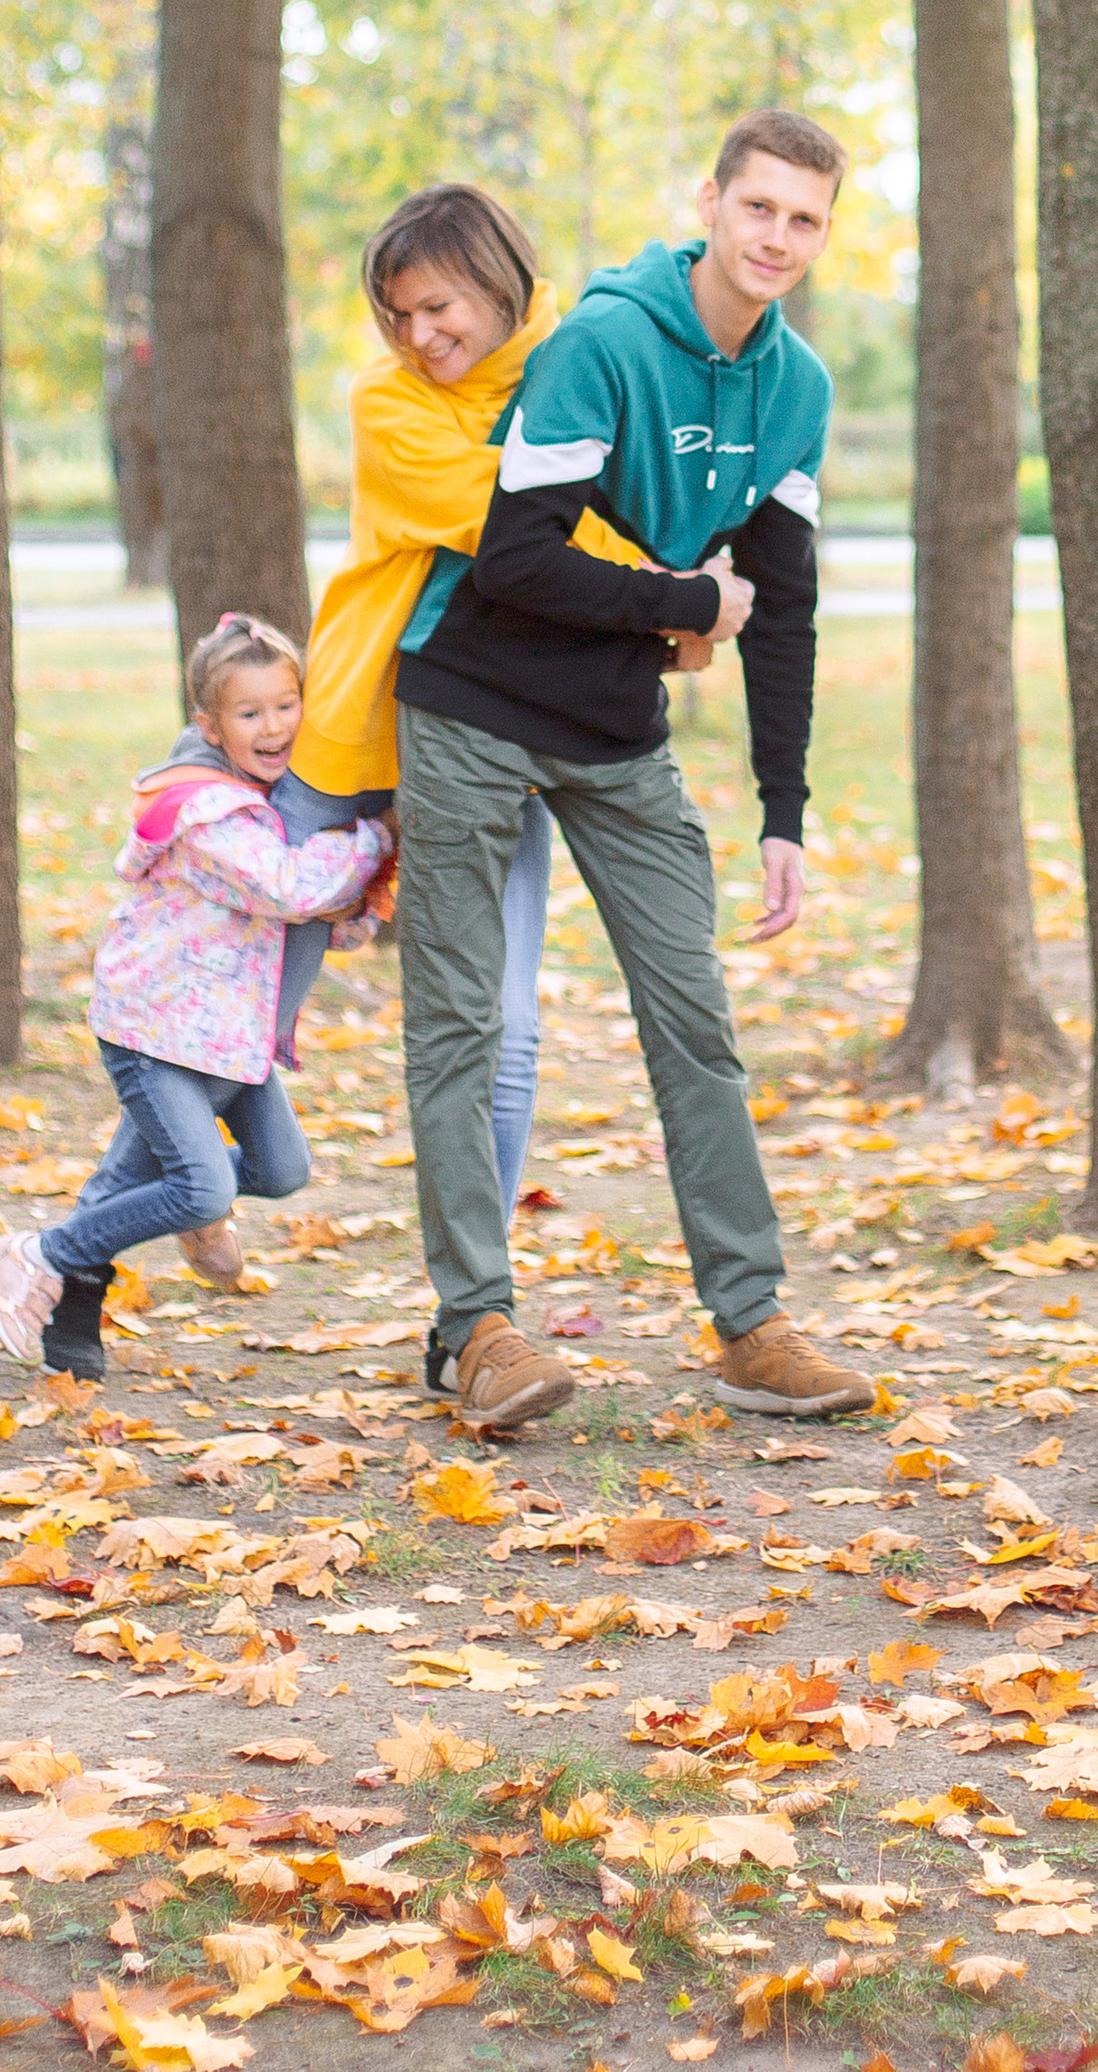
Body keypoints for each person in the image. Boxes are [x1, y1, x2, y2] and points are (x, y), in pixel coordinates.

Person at [391, 105, 875, 1437]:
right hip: (473, 703)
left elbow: (780, 602)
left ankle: (752, 1321)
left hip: (615, 731)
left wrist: (785, 808)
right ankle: (476, 1331)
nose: (777, 237)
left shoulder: (800, 392)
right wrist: (681, 601)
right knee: (458, 1022)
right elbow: (514, 559)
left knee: (694, 1022)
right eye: (759, 207)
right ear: (712, 202)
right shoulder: (604, 341)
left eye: (805, 219)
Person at [283, 183, 652, 1211]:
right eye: (398, 314)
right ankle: (150, 1204)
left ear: (501, 282)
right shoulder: (388, 400)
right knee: (234, 1005)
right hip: (357, 737)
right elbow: (509, 524)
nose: (417, 334)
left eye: (438, 306)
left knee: (508, 1023)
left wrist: (647, 582)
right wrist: (668, 595)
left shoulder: (584, 368)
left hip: (498, 734)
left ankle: (479, 1293)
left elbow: (630, 500)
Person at [0, 615, 393, 1376]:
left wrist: (351, 906)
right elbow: (288, 888)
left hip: (231, 1041)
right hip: (157, 1033)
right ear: (210, 723)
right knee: (198, 1187)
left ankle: (114, 1246)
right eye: (249, 713)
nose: (273, 727)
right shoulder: (205, 811)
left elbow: (313, 918)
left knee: (279, 1171)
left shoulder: (271, 803)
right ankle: (40, 1255)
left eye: (285, 704)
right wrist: (379, 838)